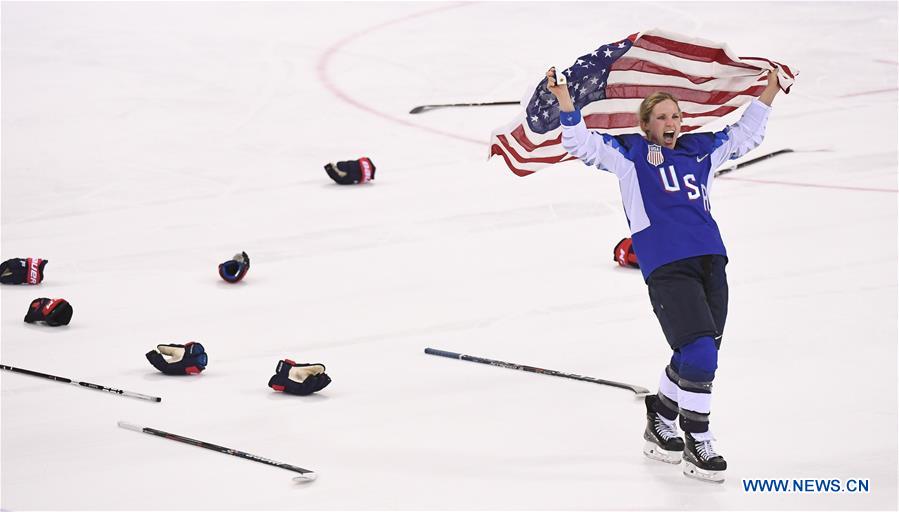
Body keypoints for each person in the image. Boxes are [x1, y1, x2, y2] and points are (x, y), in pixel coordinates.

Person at [546, 67, 782, 482]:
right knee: (700, 354)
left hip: (712, 258)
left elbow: (744, 135)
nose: (670, 123)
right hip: (668, 265)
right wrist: (566, 100)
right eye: (660, 118)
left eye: (675, 116)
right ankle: (698, 440)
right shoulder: (630, 156)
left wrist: (770, 90)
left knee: (698, 354)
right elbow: (580, 143)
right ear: (645, 125)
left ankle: (661, 415)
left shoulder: (700, 149)